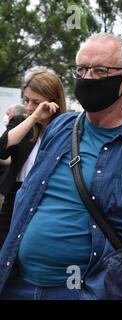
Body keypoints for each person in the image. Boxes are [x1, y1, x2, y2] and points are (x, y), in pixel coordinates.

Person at [0, 33, 122, 300]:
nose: (86, 78)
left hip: (87, 293)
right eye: (81, 69)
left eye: (99, 70)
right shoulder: (60, 127)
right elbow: (28, 198)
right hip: (17, 285)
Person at [0, 69, 67, 249]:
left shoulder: (66, 129)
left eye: (36, 102)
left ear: (54, 101)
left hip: (46, 198)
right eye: (26, 100)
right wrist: (34, 117)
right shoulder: (23, 122)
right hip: (14, 195)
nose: (29, 107)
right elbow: (2, 149)